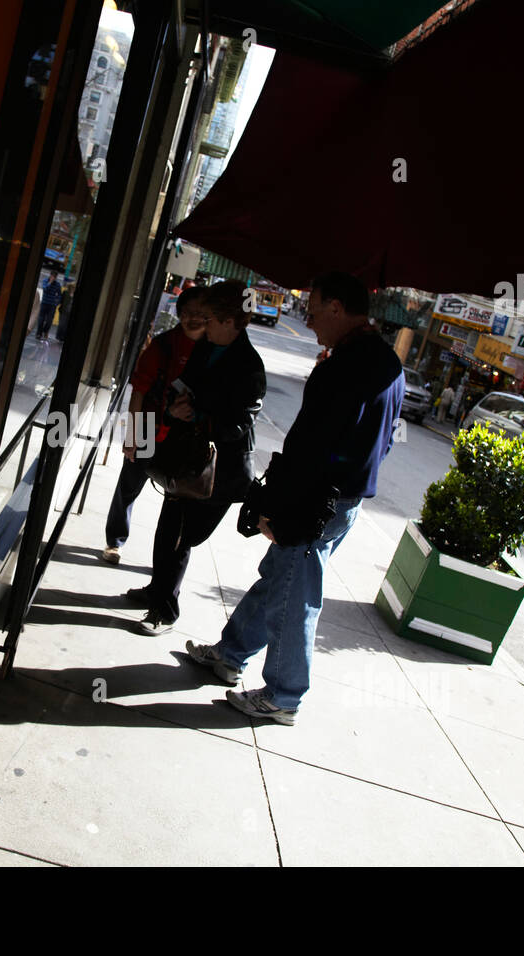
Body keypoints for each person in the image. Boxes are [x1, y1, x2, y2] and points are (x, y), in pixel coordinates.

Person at [186, 272, 403, 724]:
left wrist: (281, 507)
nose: (307, 319)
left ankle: (284, 694)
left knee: (293, 593)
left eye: (314, 308)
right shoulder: (384, 361)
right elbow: (380, 441)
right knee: (280, 579)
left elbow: (314, 445)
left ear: (338, 308)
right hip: (341, 497)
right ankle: (230, 653)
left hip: (316, 499)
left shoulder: (347, 366)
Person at [127, 280, 267, 634]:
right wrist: (176, 407)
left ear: (232, 321)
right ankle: (159, 597)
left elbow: (239, 425)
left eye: (210, 319)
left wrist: (200, 416)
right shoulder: (204, 346)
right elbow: (180, 383)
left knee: (184, 537)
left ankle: (163, 607)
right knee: (168, 532)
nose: (202, 325)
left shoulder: (250, 367)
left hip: (217, 471)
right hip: (184, 457)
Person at [102, 286, 210, 563]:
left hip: (184, 435)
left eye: (200, 313)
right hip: (150, 425)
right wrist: (132, 435)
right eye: (187, 313)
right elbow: (138, 390)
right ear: (179, 314)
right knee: (129, 486)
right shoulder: (162, 346)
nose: (193, 319)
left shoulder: (212, 351)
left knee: (177, 499)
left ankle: (166, 561)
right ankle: (115, 541)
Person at [35, 271, 63, 340]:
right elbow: (45, 289)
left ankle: (45, 331)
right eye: (52, 276)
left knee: (49, 321)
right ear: (50, 275)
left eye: (54, 277)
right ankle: (39, 334)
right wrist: (50, 283)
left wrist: (57, 302)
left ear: (56, 277)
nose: (53, 278)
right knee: (41, 320)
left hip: (52, 305)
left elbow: (59, 295)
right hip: (44, 303)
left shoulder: (57, 284)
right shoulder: (45, 281)